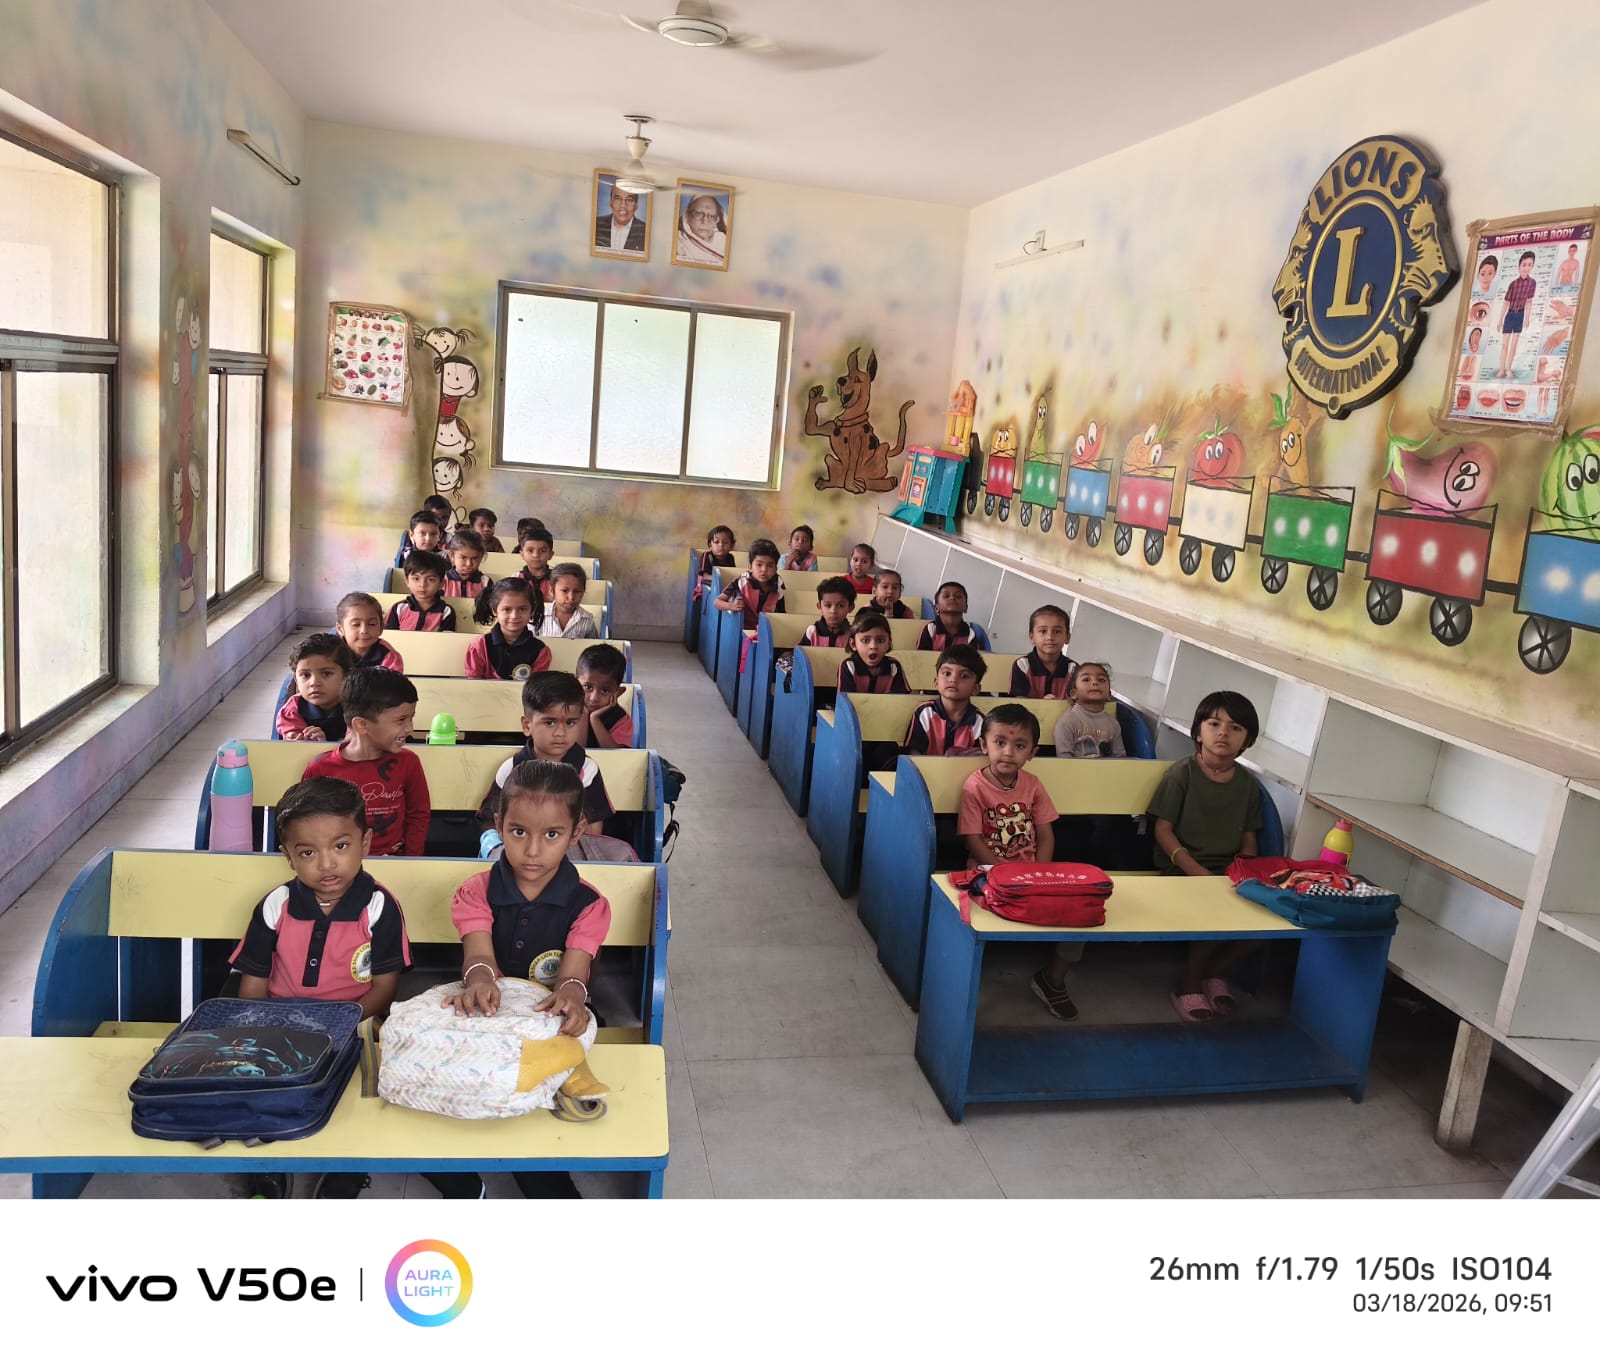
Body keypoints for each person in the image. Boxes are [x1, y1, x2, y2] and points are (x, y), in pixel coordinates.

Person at [230, 776, 411, 1200]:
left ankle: (347, 1169)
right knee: (258, 1086)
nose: (327, 864)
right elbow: (252, 985)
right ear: (288, 856)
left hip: (356, 1024)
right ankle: (268, 1168)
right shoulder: (276, 905)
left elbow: (384, 987)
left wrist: (339, 1028)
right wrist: (263, 1032)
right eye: (308, 852)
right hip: (280, 1025)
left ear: (365, 842)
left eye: (340, 846)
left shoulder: (379, 907)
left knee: (368, 1090)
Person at [446, 759, 615, 1200]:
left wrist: (571, 998)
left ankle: (541, 1177)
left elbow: (573, 977)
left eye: (552, 835)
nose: (533, 851)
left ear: (577, 832)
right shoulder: (476, 890)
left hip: (551, 1016)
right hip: (489, 1009)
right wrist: (480, 980)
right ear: (499, 825)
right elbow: (478, 958)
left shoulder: (588, 904)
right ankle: (462, 1174)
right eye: (519, 832)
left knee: (548, 1079)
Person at [1150, 691, 1265, 1024]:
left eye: (1235, 728)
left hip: (1228, 870)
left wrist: (1243, 872)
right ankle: (1188, 983)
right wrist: (1198, 872)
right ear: (1198, 732)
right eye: (1214, 724)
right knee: (1211, 910)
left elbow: (1249, 837)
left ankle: (1212, 971)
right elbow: (1163, 831)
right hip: (1181, 867)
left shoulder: (1248, 784)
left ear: (1248, 741)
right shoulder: (1182, 774)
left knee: (1266, 922)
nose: (1223, 733)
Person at [476, 673, 614, 855]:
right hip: (518, 857)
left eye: (570, 723)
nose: (560, 732)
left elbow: (592, 832)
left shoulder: (586, 771)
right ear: (527, 725)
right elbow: (491, 824)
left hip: (570, 857)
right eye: (550, 722)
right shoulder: (511, 769)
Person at [302, 668, 431, 858]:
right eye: (401, 720)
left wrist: (411, 861)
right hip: (339, 865)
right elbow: (307, 823)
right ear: (361, 725)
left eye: (411, 717)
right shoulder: (321, 768)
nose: (410, 728)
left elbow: (418, 815)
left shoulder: (409, 762)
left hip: (394, 862)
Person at [960, 704, 1058, 867]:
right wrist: (1001, 873)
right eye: (1000, 742)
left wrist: (1039, 872)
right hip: (987, 871)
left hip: (1029, 871)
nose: (1009, 752)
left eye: (1019, 746)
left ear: (1032, 753)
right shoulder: (975, 787)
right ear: (984, 745)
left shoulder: (1033, 785)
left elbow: (1045, 837)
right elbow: (973, 840)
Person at [903, 645, 987, 756]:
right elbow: (913, 752)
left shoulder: (979, 721)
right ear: (936, 683)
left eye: (964, 676)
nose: (953, 679)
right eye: (947, 673)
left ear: (975, 689)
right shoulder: (925, 713)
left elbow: (978, 758)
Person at [465, 579, 551, 680]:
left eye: (522, 609)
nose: (514, 616)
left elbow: (537, 687)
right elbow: (474, 684)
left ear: (532, 610)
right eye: (506, 609)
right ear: (494, 610)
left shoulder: (540, 651)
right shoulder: (480, 646)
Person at [277, 633, 353, 742]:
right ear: (296, 680)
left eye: (326, 674)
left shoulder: (359, 707)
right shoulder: (292, 711)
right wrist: (304, 743)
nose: (314, 683)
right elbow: (297, 746)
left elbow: (357, 745)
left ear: (346, 676)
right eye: (305, 675)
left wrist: (324, 746)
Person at [1053, 662, 1125, 758]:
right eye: (1086, 679)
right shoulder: (1067, 722)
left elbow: (1119, 758)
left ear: (1109, 695)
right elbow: (1064, 758)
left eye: (1101, 680)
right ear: (1074, 693)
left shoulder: (1113, 724)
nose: (1095, 682)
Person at [713, 537, 785, 630]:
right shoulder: (741, 581)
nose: (764, 569)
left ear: (776, 569)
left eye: (770, 566)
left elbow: (781, 613)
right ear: (750, 567)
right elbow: (717, 602)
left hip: (765, 630)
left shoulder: (778, 584)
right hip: (741, 629)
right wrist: (732, 606)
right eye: (759, 565)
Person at [1009, 604, 1074, 699]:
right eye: (1043, 631)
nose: (1050, 637)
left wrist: (1057, 705)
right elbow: (1020, 700)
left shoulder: (1072, 669)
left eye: (1057, 631)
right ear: (1032, 637)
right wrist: (1043, 706)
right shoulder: (1023, 665)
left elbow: (1077, 702)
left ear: (1067, 637)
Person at [836, 611, 909, 694]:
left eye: (880, 640)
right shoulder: (848, 666)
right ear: (853, 644)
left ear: (888, 644)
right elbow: (845, 699)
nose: (873, 646)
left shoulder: (894, 666)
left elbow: (901, 698)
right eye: (865, 640)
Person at [576, 643, 633, 748]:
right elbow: (575, 752)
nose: (594, 698)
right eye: (588, 687)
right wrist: (583, 715)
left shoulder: (620, 719)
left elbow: (616, 755)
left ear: (618, 692)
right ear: (575, 684)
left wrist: (594, 719)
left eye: (605, 690)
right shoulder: (565, 710)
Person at [385, 550, 456, 632]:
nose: (422, 585)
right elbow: (389, 635)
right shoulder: (398, 608)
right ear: (407, 581)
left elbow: (447, 638)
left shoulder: (446, 611)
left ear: (441, 584)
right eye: (416, 579)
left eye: (430, 580)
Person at [1496, 250, 1539, 379]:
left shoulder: (1532, 283)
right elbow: (1506, 303)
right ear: (1519, 266)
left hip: (1520, 315)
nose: (1526, 268)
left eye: (1530, 265)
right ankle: (1501, 369)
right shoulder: (1513, 284)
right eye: (1524, 264)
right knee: (1505, 344)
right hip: (1510, 314)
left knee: (1514, 344)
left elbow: (1529, 302)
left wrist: (1527, 318)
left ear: (1532, 266)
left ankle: (1508, 368)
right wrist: (1500, 320)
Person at [335, 592, 404, 672]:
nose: (364, 630)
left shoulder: (389, 656)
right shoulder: (332, 653)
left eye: (372, 624)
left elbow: (392, 680)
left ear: (381, 627)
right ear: (340, 629)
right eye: (356, 624)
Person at [917, 581, 992, 651]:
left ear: (966, 608)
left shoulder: (970, 633)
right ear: (936, 608)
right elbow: (921, 656)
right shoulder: (930, 629)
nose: (952, 598)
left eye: (958, 596)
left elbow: (971, 658)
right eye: (946, 596)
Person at [538, 563, 600, 640]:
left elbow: (593, 645)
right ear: (552, 590)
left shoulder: (588, 620)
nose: (571, 597)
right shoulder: (539, 616)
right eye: (564, 590)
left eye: (577, 591)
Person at [675, 192, 727, 266]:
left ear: (717, 220)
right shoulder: (678, 241)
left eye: (712, 216)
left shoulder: (723, 241)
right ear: (687, 216)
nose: (705, 221)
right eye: (698, 214)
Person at [596, 181, 647, 255]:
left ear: (636, 205)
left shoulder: (645, 231)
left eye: (629, 200)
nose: (623, 205)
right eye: (618, 199)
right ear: (610, 202)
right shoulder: (596, 224)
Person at [803, 576, 855, 646]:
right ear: (819, 606)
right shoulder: (812, 631)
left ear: (851, 607)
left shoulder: (853, 635)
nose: (833, 611)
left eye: (841, 606)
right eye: (828, 605)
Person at [443, 529, 491, 600]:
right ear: (452, 555)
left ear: (481, 557)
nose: (469, 564)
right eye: (463, 557)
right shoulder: (443, 580)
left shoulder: (485, 582)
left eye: (474, 558)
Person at [516, 524, 556, 605]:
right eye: (530, 550)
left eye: (542, 551)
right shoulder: (516, 578)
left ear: (550, 554)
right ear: (522, 554)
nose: (536, 555)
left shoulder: (557, 579)